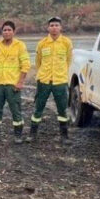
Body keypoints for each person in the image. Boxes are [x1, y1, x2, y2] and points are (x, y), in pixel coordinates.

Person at [28, 16, 73, 144]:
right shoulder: (42, 43)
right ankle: (32, 134)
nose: (54, 28)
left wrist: (61, 73)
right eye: (52, 25)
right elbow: (38, 62)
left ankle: (64, 136)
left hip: (60, 81)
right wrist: (43, 74)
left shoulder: (66, 43)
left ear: (61, 27)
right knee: (38, 107)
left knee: (62, 109)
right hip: (44, 81)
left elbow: (68, 61)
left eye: (56, 25)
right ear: (48, 28)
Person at [0, 21, 31, 143]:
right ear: (2, 32)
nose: (6, 32)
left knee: (15, 110)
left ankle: (18, 135)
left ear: (14, 31)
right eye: (4, 30)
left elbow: (25, 65)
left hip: (13, 85)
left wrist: (20, 82)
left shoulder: (20, 45)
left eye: (9, 30)